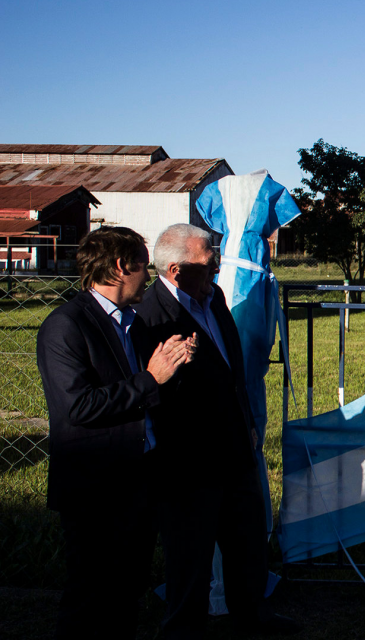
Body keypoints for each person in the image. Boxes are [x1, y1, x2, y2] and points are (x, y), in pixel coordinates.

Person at [134, 223, 298, 638]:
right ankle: (183, 629)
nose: (217, 270)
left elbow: (232, 369)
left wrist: (247, 424)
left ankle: (253, 616)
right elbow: (153, 395)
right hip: (189, 463)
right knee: (190, 557)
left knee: (247, 543)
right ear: (176, 270)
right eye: (209, 264)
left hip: (235, 450)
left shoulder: (215, 297)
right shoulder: (150, 318)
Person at [37, 226, 194, 638]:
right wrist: (151, 378)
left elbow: (148, 393)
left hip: (139, 478)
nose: (150, 276)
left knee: (128, 589)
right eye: (145, 266)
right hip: (96, 486)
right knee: (90, 595)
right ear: (123, 267)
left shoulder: (132, 323)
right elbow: (78, 407)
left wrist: (174, 366)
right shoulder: (67, 325)